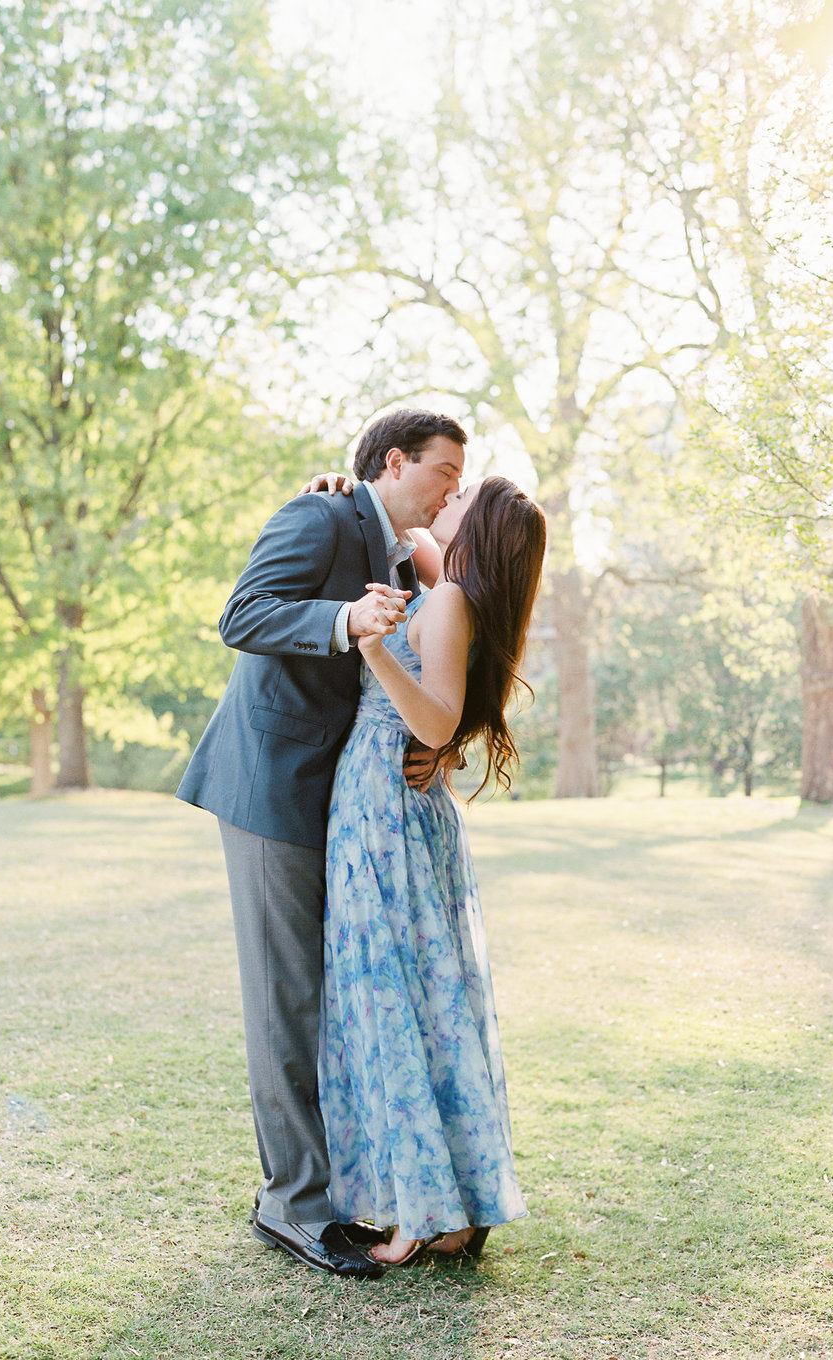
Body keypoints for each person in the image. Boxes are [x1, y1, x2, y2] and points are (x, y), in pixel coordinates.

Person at [175, 409, 467, 1279]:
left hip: (346, 803)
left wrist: (439, 739)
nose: (453, 484)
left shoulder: (403, 551)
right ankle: (292, 1209)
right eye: (444, 469)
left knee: (334, 995)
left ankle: (342, 1187)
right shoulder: (319, 514)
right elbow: (243, 614)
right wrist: (346, 620)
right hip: (271, 789)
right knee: (288, 1000)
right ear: (392, 461)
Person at [318, 475, 546, 1265]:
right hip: (399, 803)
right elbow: (388, 509)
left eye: (458, 494)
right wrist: (336, 483)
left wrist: (376, 649)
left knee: (392, 999)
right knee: (429, 999)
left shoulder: (447, 602)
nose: (440, 501)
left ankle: (417, 1210)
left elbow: (436, 718)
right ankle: (453, 1204)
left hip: (386, 802)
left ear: (475, 524)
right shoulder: (455, 588)